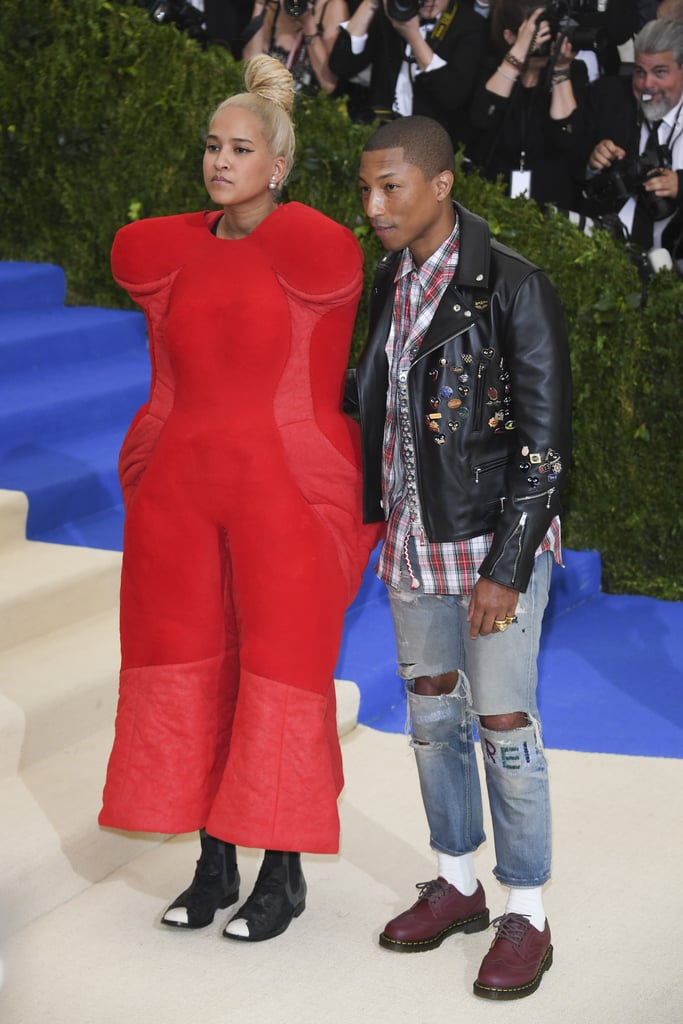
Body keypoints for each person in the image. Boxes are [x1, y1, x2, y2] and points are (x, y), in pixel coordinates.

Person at [99, 53, 380, 943]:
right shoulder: (168, 255)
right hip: (180, 497)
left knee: (278, 674)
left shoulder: (313, 253)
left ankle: (281, 873)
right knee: (192, 666)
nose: (220, 162)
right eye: (212, 147)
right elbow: (170, 382)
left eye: (241, 148)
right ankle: (214, 864)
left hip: (282, 501)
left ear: (279, 165)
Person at [351, 114, 572, 999]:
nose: (372, 206)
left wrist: (508, 567)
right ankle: (456, 882)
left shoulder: (513, 285)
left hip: (492, 542)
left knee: (504, 729)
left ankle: (527, 912)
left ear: (440, 184)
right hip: (413, 538)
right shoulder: (388, 281)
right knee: (433, 716)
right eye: (364, 189)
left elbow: (546, 443)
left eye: (389, 187)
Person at [576, 18, 683, 262]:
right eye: (639, 72)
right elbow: (570, 167)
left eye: (660, 72)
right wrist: (592, 163)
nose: (647, 85)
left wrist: (680, 185)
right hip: (605, 254)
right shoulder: (609, 98)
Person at [469, 1, 588, 212]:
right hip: (494, 200)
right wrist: (518, 54)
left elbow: (568, 140)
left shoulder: (574, 71)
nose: (543, 42)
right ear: (510, 36)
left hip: (551, 202)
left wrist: (561, 69)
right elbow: (483, 119)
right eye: (534, 34)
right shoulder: (489, 68)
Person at [329, 0, 488, 150]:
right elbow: (341, 65)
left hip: (427, 148)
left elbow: (451, 96)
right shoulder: (391, 11)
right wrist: (371, 3)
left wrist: (414, 38)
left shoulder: (470, 25)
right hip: (373, 136)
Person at [242, 0, 348, 94]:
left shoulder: (333, 7)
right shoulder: (274, 5)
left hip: (308, 110)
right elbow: (250, 65)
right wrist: (259, 5)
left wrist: (308, 24)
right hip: (266, 99)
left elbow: (328, 85)